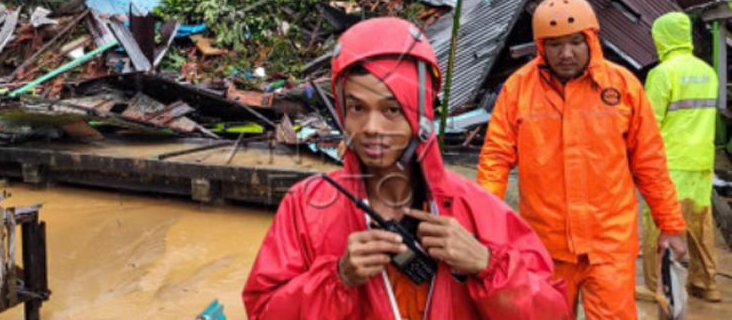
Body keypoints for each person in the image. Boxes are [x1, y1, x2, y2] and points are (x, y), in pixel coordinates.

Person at [243, 17, 569, 319]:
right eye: (357, 107)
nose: (371, 127)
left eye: (392, 109)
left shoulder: (477, 209)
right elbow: (262, 311)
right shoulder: (306, 205)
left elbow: (553, 312)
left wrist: (485, 264)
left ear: (422, 111)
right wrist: (338, 277)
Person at [476, 0, 688, 319]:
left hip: (610, 245)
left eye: (576, 42)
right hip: (545, 245)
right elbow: (495, 161)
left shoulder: (623, 87)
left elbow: (650, 164)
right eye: (555, 44)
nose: (566, 54)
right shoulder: (518, 89)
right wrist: (484, 227)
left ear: (591, 38)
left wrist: (670, 226)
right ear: (540, 46)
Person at [642, 11, 720, 301]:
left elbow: (648, 124)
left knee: (659, 225)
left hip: (669, 163)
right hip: (701, 161)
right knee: (701, 225)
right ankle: (706, 284)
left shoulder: (663, 73)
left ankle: (656, 287)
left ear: (661, 37)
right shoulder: (707, 72)